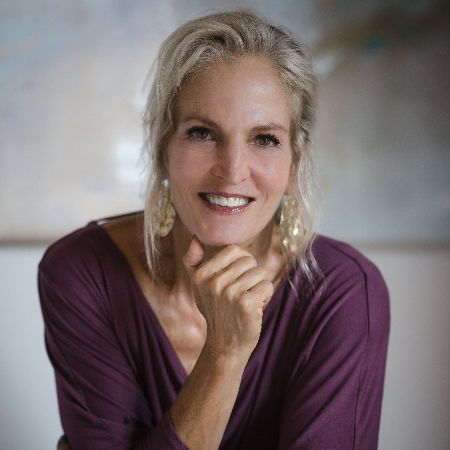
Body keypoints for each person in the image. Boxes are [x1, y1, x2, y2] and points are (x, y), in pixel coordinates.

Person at [39, 10, 390, 450]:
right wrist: (224, 353)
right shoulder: (82, 271)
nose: (232, 171)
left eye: (265, 139)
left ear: (294, 161)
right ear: (163, 146)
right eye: (202, 132)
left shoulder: (343, 290)